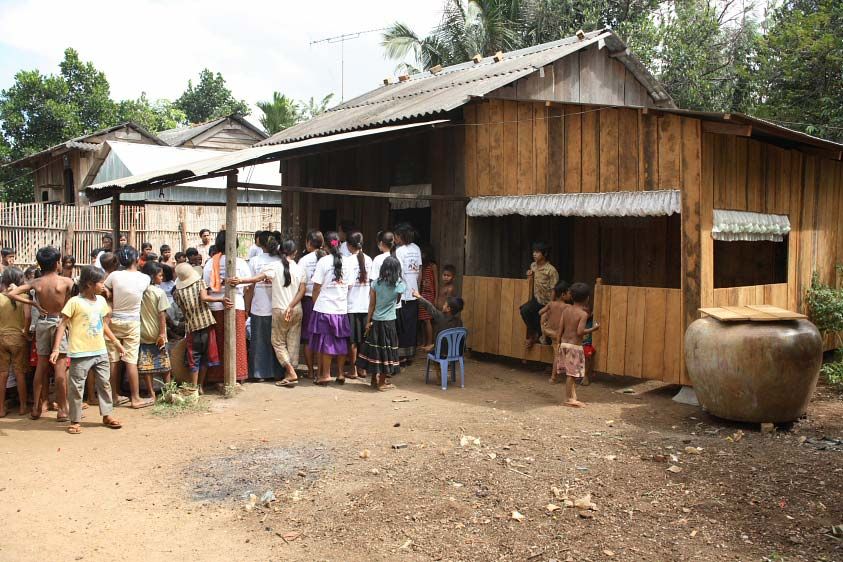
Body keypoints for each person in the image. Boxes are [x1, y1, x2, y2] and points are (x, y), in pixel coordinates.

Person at [51, 265, 123, 434]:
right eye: (101, 283)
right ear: (90, 284)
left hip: (100, 350)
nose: (103, 286)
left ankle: (107, 415)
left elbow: (102, 325)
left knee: (104, 384)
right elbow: (62, 325)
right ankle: (75, 420)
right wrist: (56, 348)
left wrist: (116, 342)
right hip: (80, 352)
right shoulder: (74, 302)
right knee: (77, 387)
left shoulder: (101, 301)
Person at [7, 246, 74, 420]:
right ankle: (63, 409)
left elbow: (12, 293)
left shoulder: (36, 283)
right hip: (59, 324)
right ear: (57, 263)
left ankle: (36, 408)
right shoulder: (66, 282)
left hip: (42, 324)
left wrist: (34, 304)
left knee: (41, 366)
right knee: (60, 367)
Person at [233, 238, 305, 387]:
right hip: (296, 309)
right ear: (295, 252)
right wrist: (292, 305)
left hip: (280, 309)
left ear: (280, 251)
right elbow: (302, 290)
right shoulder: (300, 268)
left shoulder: (274, 266)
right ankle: (290, 372)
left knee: (278, 342)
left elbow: (256, 278)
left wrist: (240, 281)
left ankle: (290, 371)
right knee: (292, 342)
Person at [103, 246, 153, 409]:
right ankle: (135, 398)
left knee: (113, 360)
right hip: (132, 322)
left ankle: (113, 396)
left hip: (114, 320)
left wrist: (110, 295)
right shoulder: (144, 278)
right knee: (131, 360)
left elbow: (104, 288)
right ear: (137, 259)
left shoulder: (114, 276)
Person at [173, 263, 230, 392]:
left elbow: (183, 311)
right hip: (206, 323)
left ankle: (193, 387)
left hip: (192, 327)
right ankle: (200, 386)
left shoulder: (177, 293)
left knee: (194, 358)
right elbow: (204, 298)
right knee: (206, 356)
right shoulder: (200, 283)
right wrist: (220, 299)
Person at [203, 230, 251, 384]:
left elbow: (205, 286)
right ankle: (238, 374)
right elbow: (248, 286)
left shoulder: (211, 263)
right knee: (238, 342)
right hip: (237, 304)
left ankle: (217, 376)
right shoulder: (241, 263)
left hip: (216, 305)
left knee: (217, 342)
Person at [356, 256, 405, 391]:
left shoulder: (375, 284)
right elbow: (397, 300)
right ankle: (382, 382)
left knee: (375, 350)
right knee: (386, 351)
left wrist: (368, 322)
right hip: (389, 323)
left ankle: (373, 379)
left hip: (376, 321)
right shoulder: (399, 285)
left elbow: (371, 304)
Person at [309, 231, 352, 385]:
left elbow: (316, 288)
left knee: (325, 341)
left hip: (325, 308)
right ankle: (340, 373)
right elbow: (350, 286)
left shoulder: (323, 261)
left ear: (325, 245)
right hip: (341, 308)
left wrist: (316, 303)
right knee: (341, 341)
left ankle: (326, 374)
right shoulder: (348, 262)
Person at [552, 282, 600, 408]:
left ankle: (573, 397)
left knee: (571, 374)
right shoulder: (583, 314)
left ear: (571, 296)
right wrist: (593, 329)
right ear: (587, 299)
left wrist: (558, 343)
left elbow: (560, 328)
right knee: (571, 375)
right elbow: (580, 332)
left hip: (564, 345)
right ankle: (569, 399)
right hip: (574, 347)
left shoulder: (566, 310)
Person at [244, 231, 282, 381]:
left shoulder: (254, 261)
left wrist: (247, 307)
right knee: (277, 341)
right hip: (278, 305)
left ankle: (259, 373)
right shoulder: (281, 260)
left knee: (259, 341)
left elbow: (250, 287)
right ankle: (277, 372)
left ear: (259, 242)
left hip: (259, 306)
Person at [0, 268, 30, 417]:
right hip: (19, 338)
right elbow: (28, 317)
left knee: (2, 373)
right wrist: (25, 332)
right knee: (19, 373)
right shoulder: (24, 297)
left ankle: (1, 408)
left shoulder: (0, 297)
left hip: (2, 337)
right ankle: (23, 407)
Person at [138, 262, 171, 395]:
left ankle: (151, 393)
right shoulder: (159, 292)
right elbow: (162, 314)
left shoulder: (139, 292)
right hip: (158, 333)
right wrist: (162, 334)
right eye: (160, 275)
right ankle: (168, 391)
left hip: (142, 332)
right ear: (152, 276)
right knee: (165, 364)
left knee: (146, 365)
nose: (162, 278)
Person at [520, 241, 559, 349]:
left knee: (546, 323)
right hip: (537, 300)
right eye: (534, 251)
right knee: (524, 310)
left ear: (545, 254)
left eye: (537, 252)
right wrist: (529, 274)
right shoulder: (533, 265)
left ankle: (543, 338)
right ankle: (535, 334)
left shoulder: (551, 270)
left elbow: (554, 289)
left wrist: (550, 305)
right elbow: (531, 277)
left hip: (548, 302)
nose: (534, 254)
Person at [345, 232, 372, 380]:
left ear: (349, 245)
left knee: (353, 340)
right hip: (366, 305)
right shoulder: (369, 259)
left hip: (352, 305)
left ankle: (353, 370)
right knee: (363, 340)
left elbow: (348, 285)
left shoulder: (348, 261)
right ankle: (362, 369)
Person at [394, 223, 421, 365]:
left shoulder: (399, 251)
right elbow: (419, 270)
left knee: (401, 326)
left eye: (396, 236)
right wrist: (417, 288)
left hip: (403, 294)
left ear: (401, 236)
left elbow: (398, 273)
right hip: (414, 293)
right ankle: (410, 355)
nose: (394, 239)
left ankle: (402, 356)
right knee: (411, 325)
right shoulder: (416, 248)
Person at [540, 281, 571, 383]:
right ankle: (553, 377)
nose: (570, 295)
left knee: (557, 353)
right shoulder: (567, 307)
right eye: (569, 293)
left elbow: (540, 312)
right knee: (557, 355)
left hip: (549, 331)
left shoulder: (551, 304)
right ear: (563, 294)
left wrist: (547, 318)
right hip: (558, 334)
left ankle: (543, 336)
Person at [418, 245, 439, 349]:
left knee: (427, 320)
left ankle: (429, 343)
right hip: (422, 294)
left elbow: (436, 282)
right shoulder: (421, 266)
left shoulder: (433, 266)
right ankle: (424, 342)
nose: (422, 255)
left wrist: (436, 297)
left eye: (424, 253)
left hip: (429, 295)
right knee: (422, 320)